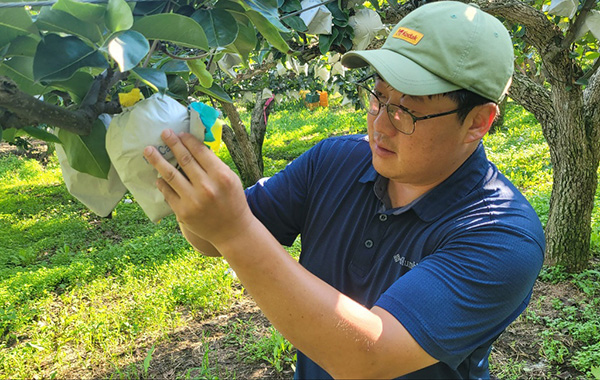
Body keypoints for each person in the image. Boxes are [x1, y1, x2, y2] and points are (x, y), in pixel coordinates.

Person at [143, 1, 545, 378]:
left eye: (407, 111)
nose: (380, 126)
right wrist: (188, 190)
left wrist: (234, 231)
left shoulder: (502, 236)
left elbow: (368, 359)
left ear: (477, 122)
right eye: (378, 96)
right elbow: (213, 239)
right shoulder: (335, 160)